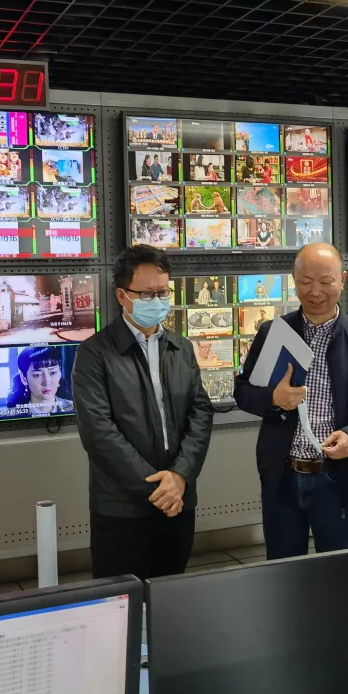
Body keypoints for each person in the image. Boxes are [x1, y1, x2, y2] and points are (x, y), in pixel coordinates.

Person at [235, 243, 348, 559]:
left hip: (338, 479)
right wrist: (274, 398)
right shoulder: (273, 334)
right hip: (282, 477)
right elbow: (243, 392)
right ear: (293, 280)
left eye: (326, 281)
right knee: (283, 571)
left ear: (342, 280)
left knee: (338, 574)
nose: (315, 292)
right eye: (305, 281)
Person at [73, 245, 213, 580]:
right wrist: (158, 489)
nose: (157, 300)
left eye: (163, 293)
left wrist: (179, 476)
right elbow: (99, 432)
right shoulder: (95, 354)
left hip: (178, 501)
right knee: (123, 601)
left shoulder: (181, 348)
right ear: (122, 296)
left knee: (171, 596)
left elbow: (200, 413)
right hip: (122, 509)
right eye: (147, 294)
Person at [6, 346, 74, 415]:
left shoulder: (74, 408)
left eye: (52, 373)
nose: (47, 382)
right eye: (37, 375)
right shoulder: (12, 415)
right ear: (24, 378)